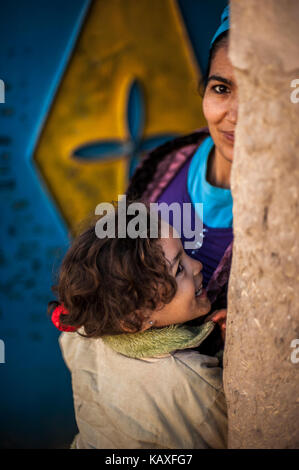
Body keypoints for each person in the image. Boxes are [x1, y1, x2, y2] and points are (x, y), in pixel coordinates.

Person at [48, 203, 227, 449]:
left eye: (185, 253)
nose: (197, 266)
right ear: (136, 320)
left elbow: (68, 343)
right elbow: (242, 434)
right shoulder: (193, 384)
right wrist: (228, 354)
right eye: (178, 270)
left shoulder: (83, 333)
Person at [126, 5, 236, 313]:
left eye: (258, 97)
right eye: (221, 88)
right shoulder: (166, 163)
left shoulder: (288, 211)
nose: (236, 116)